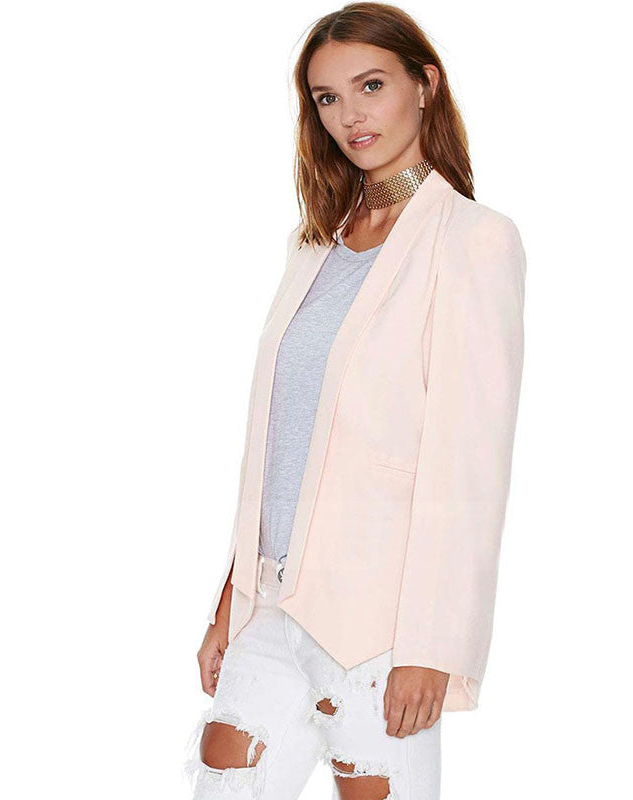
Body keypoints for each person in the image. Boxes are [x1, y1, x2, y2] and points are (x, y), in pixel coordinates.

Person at [183, 3, 527, 798]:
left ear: (425, 85)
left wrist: (433, 645)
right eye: (328, 97)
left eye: (371, 85)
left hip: (380, 627)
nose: (350, 115)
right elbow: (281, 439)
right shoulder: (315, 246)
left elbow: (468, 462)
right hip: (273, 606)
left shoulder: (472, 240)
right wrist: (231, 599)